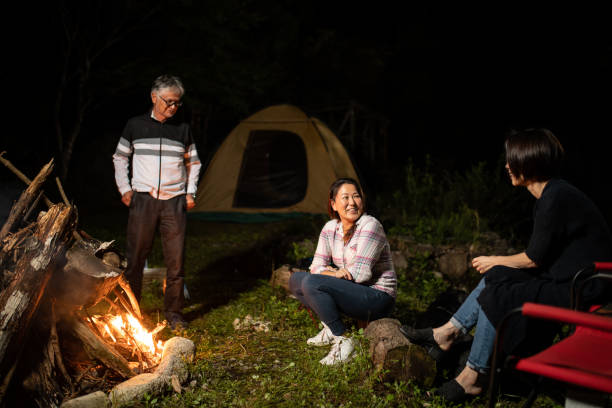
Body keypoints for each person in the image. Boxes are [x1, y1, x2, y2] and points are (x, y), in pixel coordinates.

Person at [400, 128, 612, 402]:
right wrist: (499, 266)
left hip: (583, 287)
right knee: (499, 276)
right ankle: (447, 333)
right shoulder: (552, 195)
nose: (508, 166)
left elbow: (533, 258)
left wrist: (494, 259)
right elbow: (542, 256)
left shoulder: (555, 197)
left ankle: (472, 377)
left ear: (530, 162)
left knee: (499, 289)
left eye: (513, 160)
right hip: (567, 279)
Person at [112, 74, 201, 330]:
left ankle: (174, 313)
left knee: (176, 260)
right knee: (136, 257)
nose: (173, 107)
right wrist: (125, 188)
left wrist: (190, 192)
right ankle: (131, 311)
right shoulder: (135, 126)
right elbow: (119, 158)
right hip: (143, 199)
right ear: (154, 97)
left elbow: (193, 162)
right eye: (168, 102)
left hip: (174, 201)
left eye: (177, 103)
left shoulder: (182, 129)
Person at [289, 178, 397, 365]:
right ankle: (331, 329)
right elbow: (315, 266)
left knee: (312, 283)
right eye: (345, 197)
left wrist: (331, 273)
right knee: (297, 280)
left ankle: (345, 340)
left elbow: (361, 275)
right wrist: (333, 273)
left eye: (356, 196)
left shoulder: (370, 226)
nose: (352, 202)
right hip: (353, 291)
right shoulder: (331, 228)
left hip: (378, 297)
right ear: (333, 204)